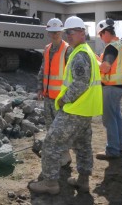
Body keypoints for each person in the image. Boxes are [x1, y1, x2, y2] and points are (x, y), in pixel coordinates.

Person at [28, 16, 103, 194]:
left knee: (51, 143)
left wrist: (63, 99)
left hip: (74, 109)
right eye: (67, 32)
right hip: (84, 109)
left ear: (82, 32)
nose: (68, 35)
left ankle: (50, 183)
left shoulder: (78, 54)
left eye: (71, 32)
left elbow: (80, 83)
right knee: (83, 145)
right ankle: (83, 181)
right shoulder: (86, 51)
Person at [36, 18, 73, 167]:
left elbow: (71, 75)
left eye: (56, 32)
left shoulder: (67, 50)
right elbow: (43, 70)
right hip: (48, 96)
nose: (54, 34)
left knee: (62, 129)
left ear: (61, 32)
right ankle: (53, 153)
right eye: (51, 32)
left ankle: (65, 155)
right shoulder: (47, 48)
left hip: (61, 98)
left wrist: (68, 96)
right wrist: (40, 87)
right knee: (50, 127)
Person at [95, 19, 122, 160]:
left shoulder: (111, 47)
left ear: (106, 32)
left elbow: (105, 67)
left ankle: (113, 150)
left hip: (110, 87)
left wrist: (94, 62)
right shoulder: (121, 45)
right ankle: (118, 146)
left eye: (101, 35)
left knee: (109, 119)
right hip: (119, 86)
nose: (101, 39)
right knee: (116, 117)